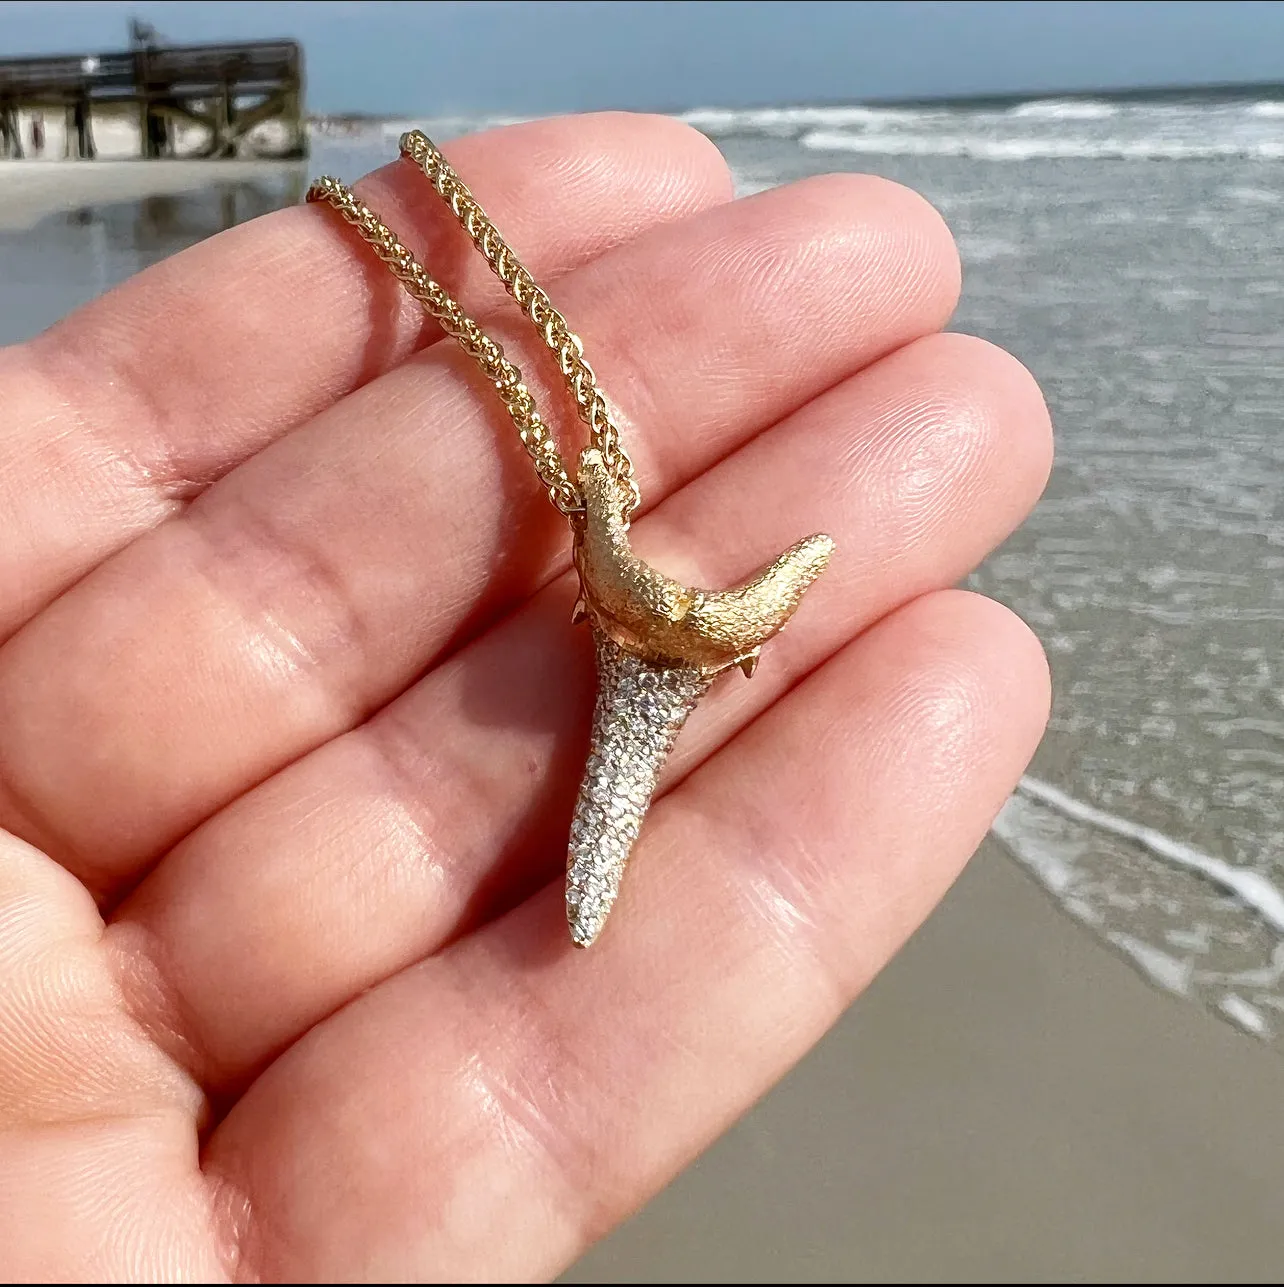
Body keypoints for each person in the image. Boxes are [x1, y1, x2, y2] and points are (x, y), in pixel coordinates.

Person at [0, 113, 1050, 1280]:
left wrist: (672, 559)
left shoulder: (628, 583)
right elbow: (714, 581)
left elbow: (754, 578)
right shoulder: (620, 578)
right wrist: (636, 551)